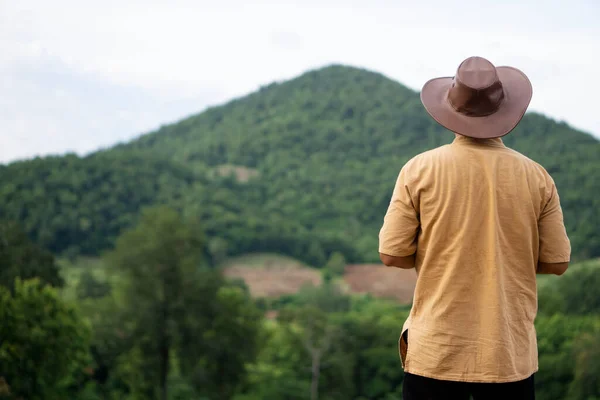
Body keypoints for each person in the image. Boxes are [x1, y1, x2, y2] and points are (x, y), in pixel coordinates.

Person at [378, 56, 571, 400]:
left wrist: (434, 253)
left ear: (450, 110)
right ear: (506, 109)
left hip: (436, 350)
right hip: (507, 353)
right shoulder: (538, 177)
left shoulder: (419, 170)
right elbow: (557, 263)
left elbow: (392, 254)